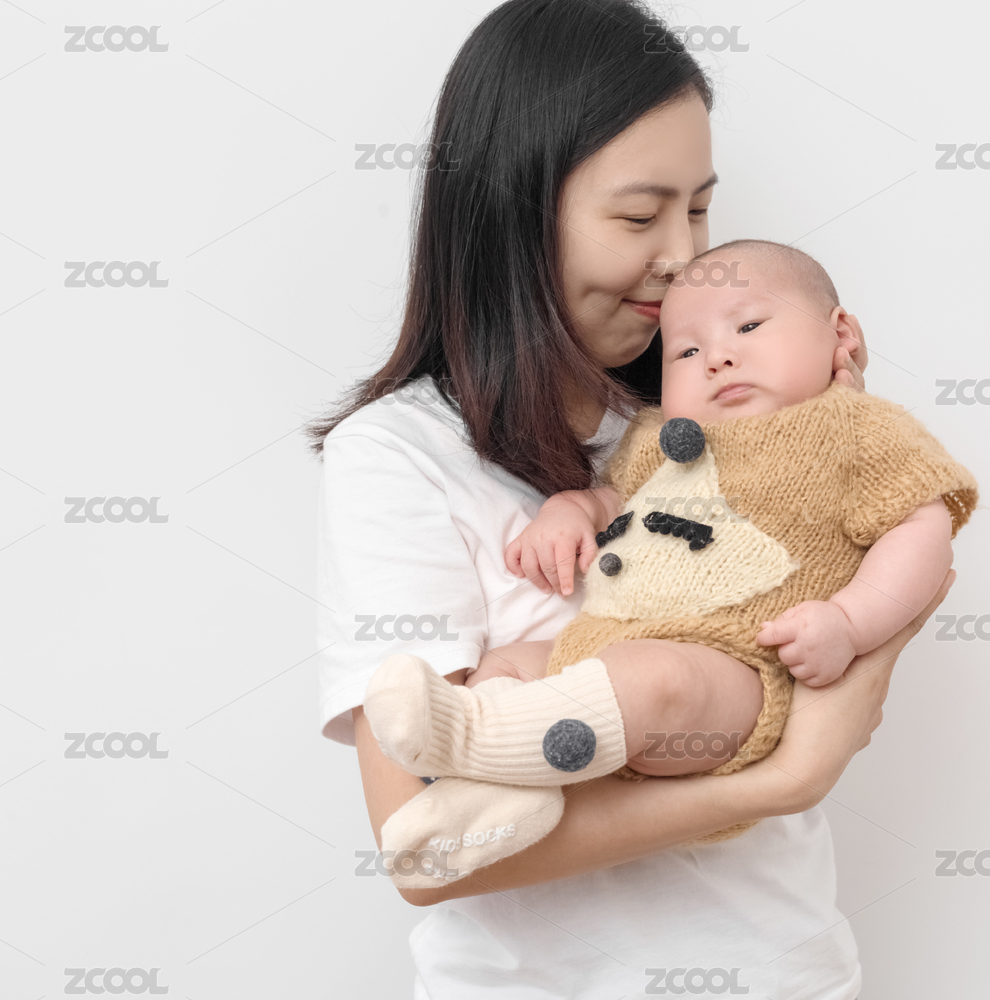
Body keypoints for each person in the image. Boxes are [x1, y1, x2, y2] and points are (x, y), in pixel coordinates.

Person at [312, 2, 954, 996]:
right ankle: (498, 741)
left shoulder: (727, 413)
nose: (682, 256)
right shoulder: (401, 455)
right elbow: (423, 857)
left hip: (776, 971)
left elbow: (877, 606)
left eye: (698, 209)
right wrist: (784, 779)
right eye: (638, 215)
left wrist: (831, 419)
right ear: (515, 213)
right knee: (515, 689)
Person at [363, 240, 979, 880]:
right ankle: (500, 794)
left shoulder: (859, 427)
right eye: (685, 352)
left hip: (736, 672)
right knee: (516, 663)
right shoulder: (658, 437)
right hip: (599, 647)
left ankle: (471, 739)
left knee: (658, 679)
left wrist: (850, 622)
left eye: (749, 326)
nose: (717, 358)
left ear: (841, 334)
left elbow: (921, 526)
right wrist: (571, 510)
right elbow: (616, 499)